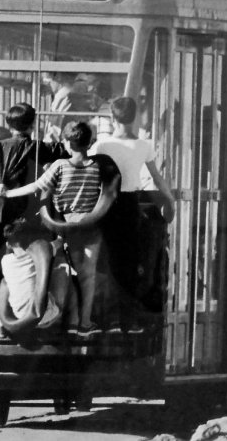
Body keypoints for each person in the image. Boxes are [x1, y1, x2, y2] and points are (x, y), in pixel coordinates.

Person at [0, 121, 103, 338]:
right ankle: (85, 323)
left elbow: (37, 186)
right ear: (89, 143)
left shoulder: (60, 166)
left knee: (71, 273)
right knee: (88, 275)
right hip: (92, 228)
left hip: (69, 227)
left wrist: (8, 194)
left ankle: (72, 322)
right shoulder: (97, 167)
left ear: (66, 142)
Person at [0, 103, 67, 334]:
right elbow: (64, 153)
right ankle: (18, 311)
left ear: (8, 125)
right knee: (21, 258)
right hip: (21, 207)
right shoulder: (37, 147)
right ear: (33, 124)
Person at [88, 96, 175, 331]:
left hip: (106, 204)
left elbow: (91, 177)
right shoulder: (144, 145)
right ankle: (128, 319)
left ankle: (105, 318)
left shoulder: (102, 145)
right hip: (130, 206)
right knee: (130, 263)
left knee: (105, 262)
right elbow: (157, 178)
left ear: (112, 117)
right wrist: (170, 200)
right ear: (134, 116)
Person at [0, 218, 78, 335]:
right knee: (62, 269)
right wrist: (61, 234)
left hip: (18, 316)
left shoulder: (5, 261)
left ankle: (1, 322)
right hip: (44, 318)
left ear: (8, 244)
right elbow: (59, 243)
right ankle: (71, 321)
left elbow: (10, 251)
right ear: (30, 241)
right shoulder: (39, 252)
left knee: (10, 280)